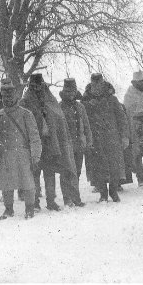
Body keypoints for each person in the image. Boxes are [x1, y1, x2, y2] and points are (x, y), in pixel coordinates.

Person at [21, 73, 76, 212]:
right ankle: (34, 202)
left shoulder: (50, 99)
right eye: (33, 86)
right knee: (34, 174)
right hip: (33, 144)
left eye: (39, 85)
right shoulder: (25, 101)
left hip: (50, 143)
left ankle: (51, 201)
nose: (37, 88)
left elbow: (59, 118)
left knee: (49, 174)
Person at [0, 79, 43, 219]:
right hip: (5, 154)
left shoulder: (26, 114)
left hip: (23, 153)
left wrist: (35, 156)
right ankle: (8, 210)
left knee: (27, 182)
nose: (8, 99)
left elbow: (34, 137)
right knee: (6, 184)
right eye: (4, 96)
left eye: (10, 96)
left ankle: (29, 209)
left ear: (16, 96)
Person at [82, 73, 128, 203]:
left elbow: (122, 118)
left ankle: (113, 191)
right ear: (91, 84)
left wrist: (124, 136)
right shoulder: (85, 101)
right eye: (94, 84)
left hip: (112, 137)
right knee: (98, 166)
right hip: (95, 138)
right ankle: (103, 193)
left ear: (103, 84)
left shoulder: (112, 99)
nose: (97, 87)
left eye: (99, 84)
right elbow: (83, 121)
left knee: (114, 166)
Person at [58, 78, 91, 207]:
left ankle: (76, 198)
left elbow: (86, 125)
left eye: (72, 91)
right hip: (66, 145)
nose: (70, 94)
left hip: (79, 144)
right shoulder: (59, 107)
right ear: (64, 92)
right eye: (68, 91)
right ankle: (67, 199)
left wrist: (88, 140)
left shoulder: (80, 106)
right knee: (66, 172)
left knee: (77, 171)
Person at [122, 71, 143, 187]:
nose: (142, 83)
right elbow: (129, 110)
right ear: (134, 82)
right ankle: (140, 179)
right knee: (137, 154)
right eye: (139, 82)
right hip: (135, 128)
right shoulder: (129, 94)